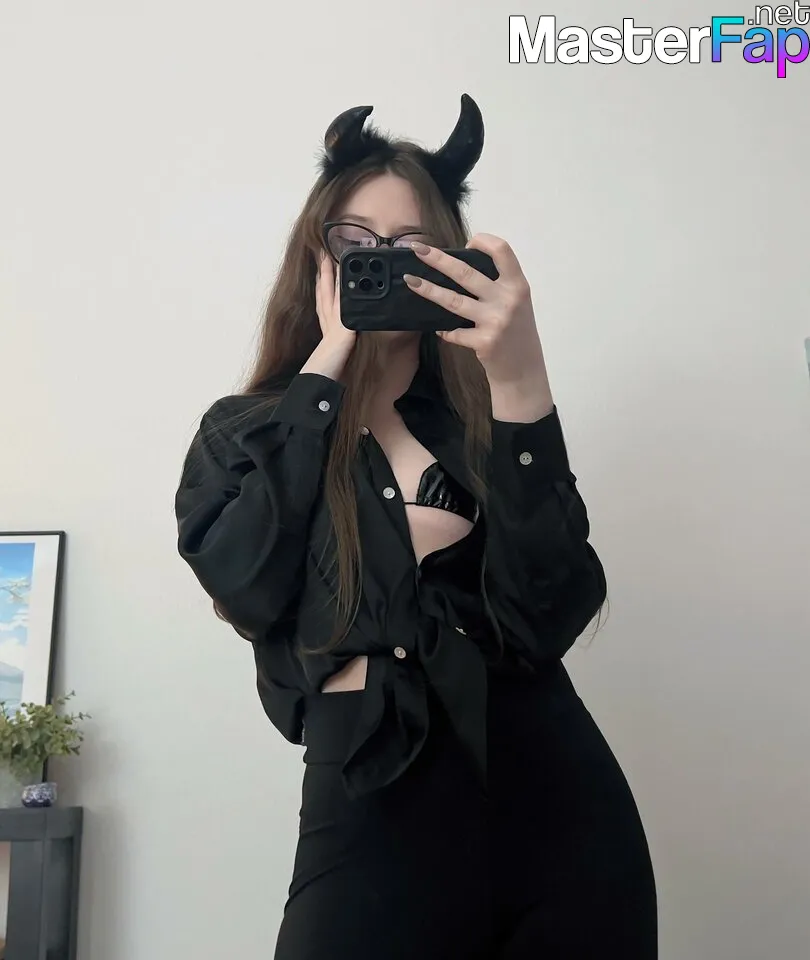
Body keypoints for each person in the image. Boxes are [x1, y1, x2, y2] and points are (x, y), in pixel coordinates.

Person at [174, 94, 658, 959]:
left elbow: (550, 612)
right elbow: (247, 584)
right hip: (369, 792)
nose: (381, 265)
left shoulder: (482, 427)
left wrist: (522, 382)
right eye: (355, 241)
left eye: (411, 246)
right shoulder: (246, 430)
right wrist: (326, 367)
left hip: (554, 798)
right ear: (316, 256)